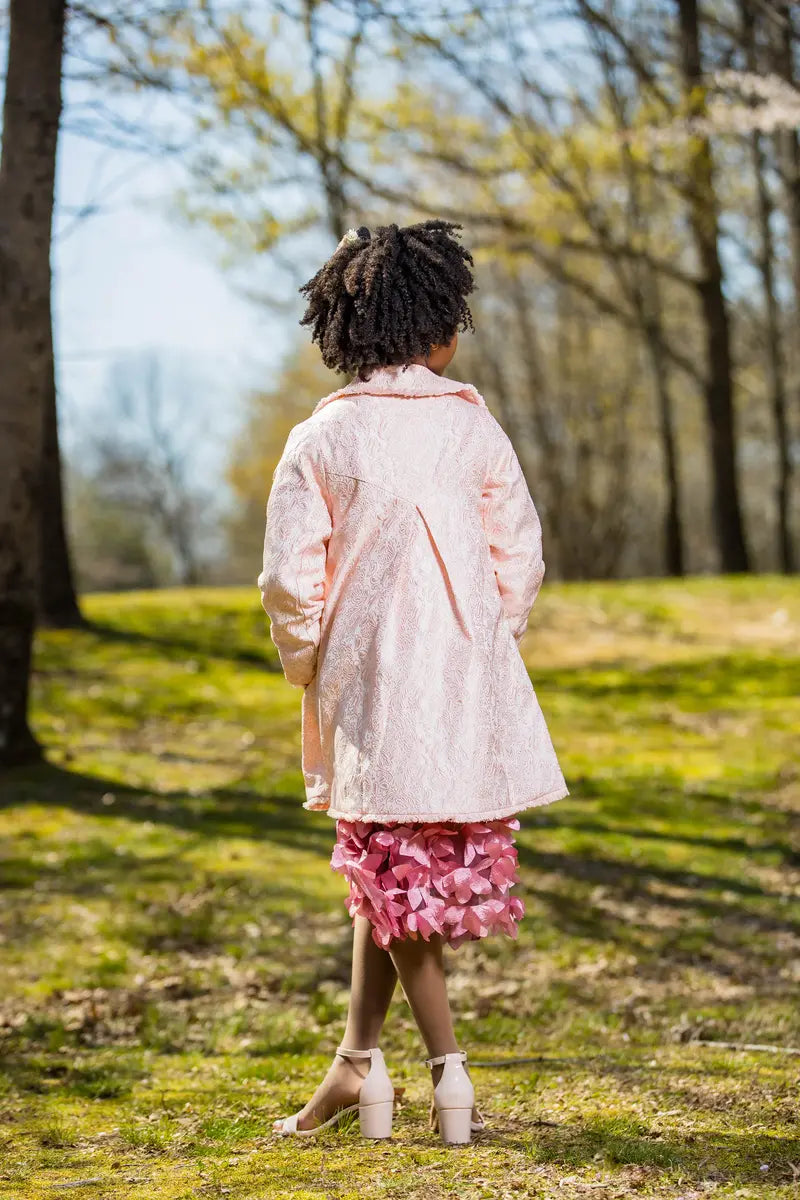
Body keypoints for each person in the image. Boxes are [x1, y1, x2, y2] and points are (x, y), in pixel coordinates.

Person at [259, 219, 568, 1143]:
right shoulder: (474, 428)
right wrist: (483, 637)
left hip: (371, 683)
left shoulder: (323, 438)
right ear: (435, 322)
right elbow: (520, 552)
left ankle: (447, 1073)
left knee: (390, 869)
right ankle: (357, 1067)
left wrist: (308, 662)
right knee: (395, 872)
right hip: (463, 681)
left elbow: (289, 579)